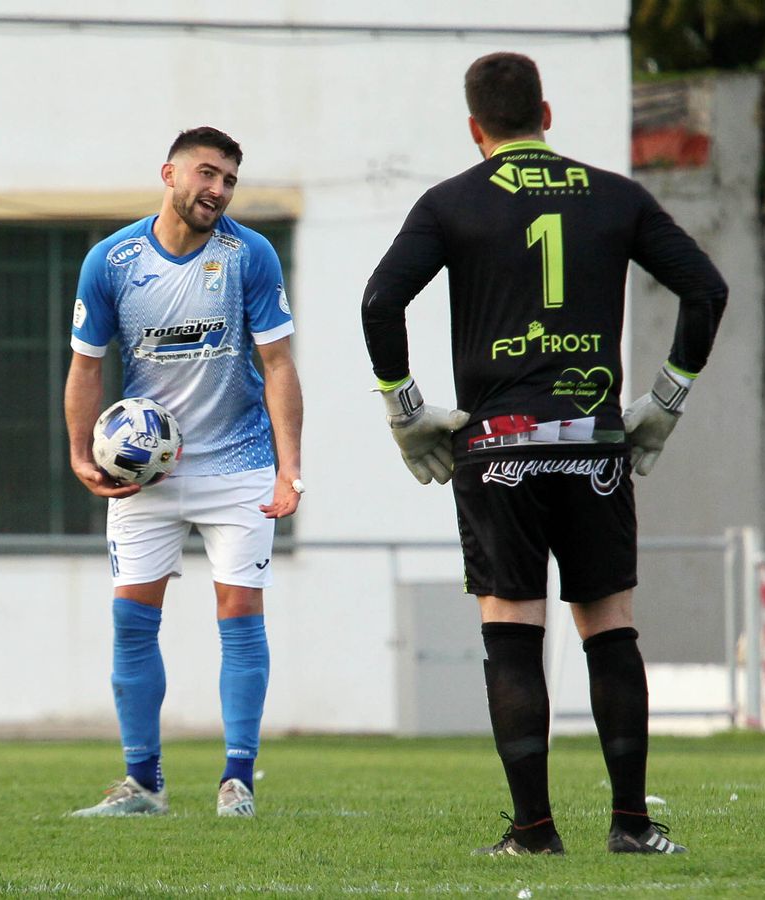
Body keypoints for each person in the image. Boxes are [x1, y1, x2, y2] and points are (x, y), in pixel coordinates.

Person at [360, 53, 727, 855]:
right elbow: (706, 291)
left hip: (497, 449)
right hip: (594, 445)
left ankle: (533, 832)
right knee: (610, 629)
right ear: (547, 115)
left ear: (474, 128)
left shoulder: (450, 202)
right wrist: (664, 403)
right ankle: (630, 825)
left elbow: (381, 301)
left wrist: (407, 411)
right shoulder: (616, 196)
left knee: (511, 633)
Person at [64, 126, 304, 818]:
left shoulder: (248, 255)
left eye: (229, 179)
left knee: (240, 614)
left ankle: (238, 782)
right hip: (146, 475)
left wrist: (290, 472)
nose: (218, 190)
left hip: (239, 466)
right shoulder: (111, 261)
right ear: (169, 173)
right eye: (207, 174)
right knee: (132, 624)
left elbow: (279, 365)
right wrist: (81, 453)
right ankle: (143, 784)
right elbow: (85, 366)